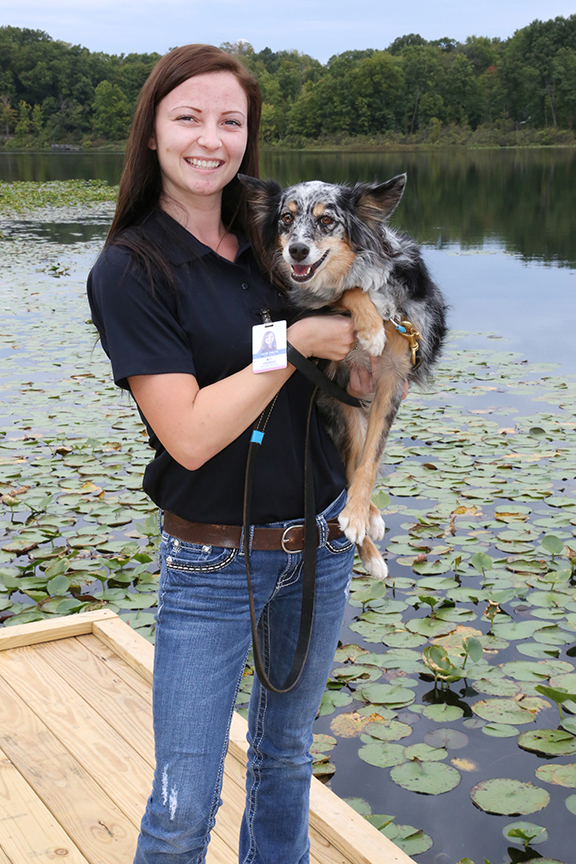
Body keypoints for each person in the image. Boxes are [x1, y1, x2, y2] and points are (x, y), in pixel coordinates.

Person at [87, 43, 377, 864]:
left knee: (286, 761)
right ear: (151, 133)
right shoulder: (131, 270)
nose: (210, 139)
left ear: (250, 138)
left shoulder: (279, 244)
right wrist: (290, 344)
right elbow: (187, 432)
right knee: (185, 805)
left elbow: (349, 364)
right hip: (214, 565)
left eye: (231, 122)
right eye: (188, 118)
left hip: (320, 542)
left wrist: (362, 353)